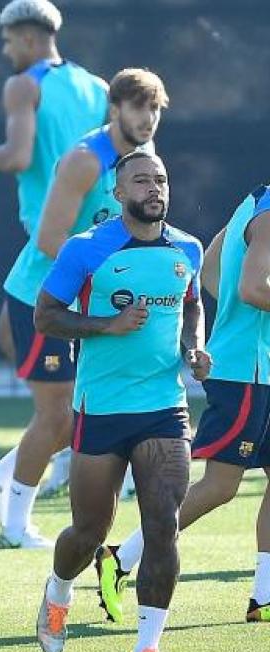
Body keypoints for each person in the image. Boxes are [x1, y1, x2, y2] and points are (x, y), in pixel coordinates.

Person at [32, 152, 206, 652]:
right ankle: (58, 591)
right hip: (101, 409)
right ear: (117, 191)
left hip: (164, 407)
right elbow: (46, 315)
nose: (155, 188)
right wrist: (107, 324)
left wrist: (193, 345)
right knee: (87, 532)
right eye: (142, 180)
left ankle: (147, 650)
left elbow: (191, 302)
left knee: (162, 525)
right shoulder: (86, 250)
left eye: (161, 178)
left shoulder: (187, 248)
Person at [0, 69, 167, 543]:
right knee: (59, 417)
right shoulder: (86, 161)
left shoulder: (145, 161)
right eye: (139, 108)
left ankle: (4, 473)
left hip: (94, 296)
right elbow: (49, 239)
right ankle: (14, 523)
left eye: (155, 109)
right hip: (42, 294)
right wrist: (108, 282)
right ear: (114, 109)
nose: (148, 119)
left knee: (85, 409)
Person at [0, 0, 107, 545]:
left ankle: (14, 492)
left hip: (53, 247)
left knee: (58, 409)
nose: (5, 52)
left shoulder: (24, 84)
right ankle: (13, 468)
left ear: (25, 36)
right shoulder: (95, 86)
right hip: (74, 241)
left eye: (7, 40)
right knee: (10, 337)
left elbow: (19, 156)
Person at [97, 183, 270, 624]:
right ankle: (122, 555)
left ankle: (264, 596)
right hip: (247, 372)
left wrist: (234, 316)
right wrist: (243, 320)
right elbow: (253, 288)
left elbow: (211, 270)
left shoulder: (252, 200)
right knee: (221, 486)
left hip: (255, 364)